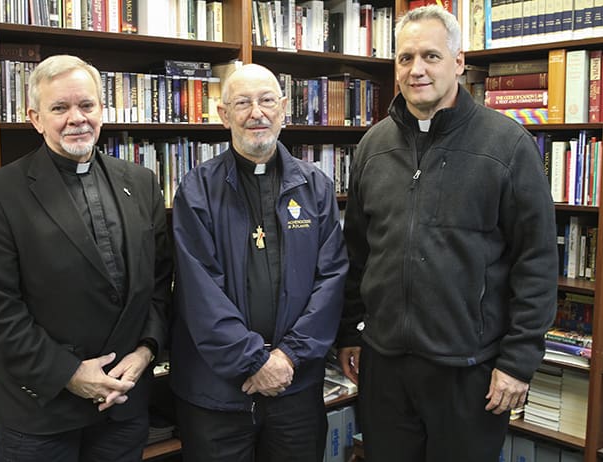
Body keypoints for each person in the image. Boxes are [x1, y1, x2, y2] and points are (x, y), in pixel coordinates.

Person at [336, 5, 558, 462]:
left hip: (470, 372)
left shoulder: (508, 145)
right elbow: (357, 253)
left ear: (459, 62)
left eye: (431, 57)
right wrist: (350, 333)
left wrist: (517, 363)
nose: (417, 70)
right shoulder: (372, 146)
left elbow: (535, 262)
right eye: (405, 58)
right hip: (386, 368)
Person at [0, 54, 172, 461]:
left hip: (123, 405)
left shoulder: (142, 183)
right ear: (35, 118)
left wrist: (146, 350)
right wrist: (71, 374)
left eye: (86, 105)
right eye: (59, 108)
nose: (76, 118)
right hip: (41, 413)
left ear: (101, 110)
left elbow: (159, 282)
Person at [169, 63, 348, 462]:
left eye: (267, 101)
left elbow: (332, 279)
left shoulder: (315, 185)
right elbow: (200, 293)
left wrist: (287, 358)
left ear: (284, 109)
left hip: (295, 388)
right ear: (223, 115)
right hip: (216, 394)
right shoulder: (197, 189)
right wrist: (254, 361)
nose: (257, 113)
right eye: (243, 103)